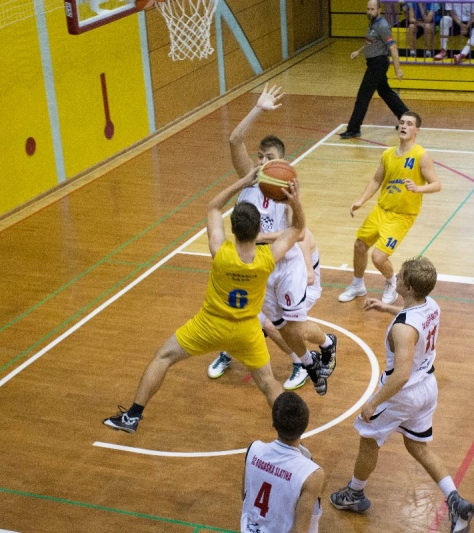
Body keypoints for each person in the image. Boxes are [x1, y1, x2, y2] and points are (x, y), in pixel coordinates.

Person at [102, 169, 305, 433]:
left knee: (163, 357)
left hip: (209, 325)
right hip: (246, 331)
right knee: (268, 383)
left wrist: (243, 182)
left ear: (232, 229)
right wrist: (294, 202)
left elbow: (213, 206)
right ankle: (290, 437)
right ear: (259, 230)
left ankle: (132, 417)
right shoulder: (268, 258)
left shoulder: (219, 250)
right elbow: (297, 228)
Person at [329, 256, 474, 533]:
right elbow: (411, 317)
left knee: (369, 441)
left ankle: (354, 494)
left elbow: (401, 375)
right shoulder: (431, 305)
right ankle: (456, 501)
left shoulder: (403, 329)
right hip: (427, 387)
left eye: (400, 277)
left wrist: (373, 402)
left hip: (402, 393)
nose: (395, 277)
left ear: (408, 287)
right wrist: (387, 307)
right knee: (417, 446)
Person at [207, 84, 337, 394]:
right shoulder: (249, 180)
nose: (264, 161)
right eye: (261, 156)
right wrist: (257, 109)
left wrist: (264, 234)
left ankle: (325, 345)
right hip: (260, 266)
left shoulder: (285, 189)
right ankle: (308, 363)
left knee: (293, 326)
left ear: (282, 164)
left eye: (271, 158)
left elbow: (298, 231)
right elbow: (234, 140)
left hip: (285, 261)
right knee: (275, 325)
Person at [338, 110, 441, 306]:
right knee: (360, 245)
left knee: (378, 257)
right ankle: (357, 285)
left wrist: (418, 188)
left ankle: (391, 282)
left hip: (402, 216)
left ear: (417, 130)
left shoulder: (421, 156)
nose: (404, 126)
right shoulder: (387, 154)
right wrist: (361, 200)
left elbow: (436, 184)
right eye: (402, 122)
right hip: (381, 209)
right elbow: (376, 180)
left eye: (409, 124)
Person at [242, 391, 325, 533]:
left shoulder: (253, 450)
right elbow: (299, 531)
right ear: (305, 425)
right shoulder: (312, 475)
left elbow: (245, 496)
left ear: (273, 423)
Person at [339, 0, 409, 140]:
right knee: (385, 92)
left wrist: (398, 70)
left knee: (363, 96)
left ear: (379, 10)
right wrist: (358, 51)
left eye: (372, 9)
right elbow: (370, 42)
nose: (369, 12)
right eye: (368, 9)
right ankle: (406, 118)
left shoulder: (382, 26)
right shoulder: (372, 23)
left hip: (378, 64)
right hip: (373, 63)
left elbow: (393, 48)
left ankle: (353, 129)